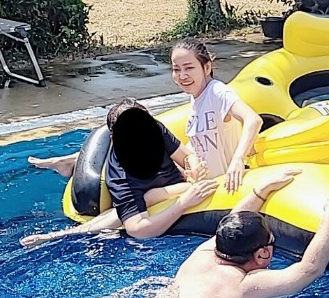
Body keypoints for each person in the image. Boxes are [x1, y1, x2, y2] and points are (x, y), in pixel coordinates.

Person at [20, 98, 218, 247]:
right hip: (145, 195)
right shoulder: (121, 178)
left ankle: (69, 161)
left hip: (171, 184)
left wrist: (194, 167)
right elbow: (138, 230)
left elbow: (186, 155)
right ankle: (56, 234)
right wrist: (183, 202)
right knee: (145, 199)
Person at [167, 168, 329, 298]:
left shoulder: (204, 254)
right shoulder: (243, 286)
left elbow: (233, 223)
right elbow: (309, 269)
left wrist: (261, 191)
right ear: (262, 254)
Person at [170, 39, 264, 193]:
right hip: (212, 190)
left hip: (230, 187)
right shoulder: (196, 98)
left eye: (189, 68)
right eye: (176, 69)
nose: (182, 76)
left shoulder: (217, 92)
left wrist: (238, 160)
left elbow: (253, 120)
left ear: (207, 67)